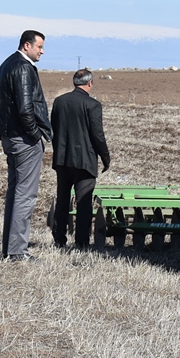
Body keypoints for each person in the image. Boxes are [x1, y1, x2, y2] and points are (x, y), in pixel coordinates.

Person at [0, 30, 51, 261]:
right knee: (25, 195)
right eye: (39, 47)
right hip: (24, 140)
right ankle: (17, 252)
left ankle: (10, 249)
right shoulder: (24, 68)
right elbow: (25, 108)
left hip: (10, 137)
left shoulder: (7, 64)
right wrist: (36, 135)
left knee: (16, 193)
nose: (42, 51)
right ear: (27, 45)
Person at [49, 68, 111, 249]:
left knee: (62, 200)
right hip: (84, 161)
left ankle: (59, 239)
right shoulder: (93, 105)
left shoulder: (59, 102)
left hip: (62, 159)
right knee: (83, 202)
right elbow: (98, 135)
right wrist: (105, 158)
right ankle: (82, 242)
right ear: (90, 83)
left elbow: (55, 129)